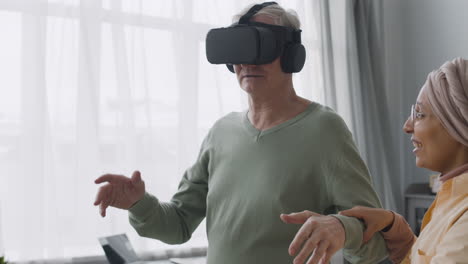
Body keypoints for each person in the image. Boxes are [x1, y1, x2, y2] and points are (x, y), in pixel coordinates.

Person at [93, 3, 388, 264]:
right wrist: (139, 203)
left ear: (291, 55)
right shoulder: (221, 133)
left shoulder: (325, 130)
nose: (247, 62)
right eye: (238, 49)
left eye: (260, 47)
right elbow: (179, 225)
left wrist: (341, 227)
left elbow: (373, 244)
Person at [337, 58, 468, 263]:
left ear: (457, 124)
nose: (407, 126)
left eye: (420, 114)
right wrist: (394, 226)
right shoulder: (453, 198)